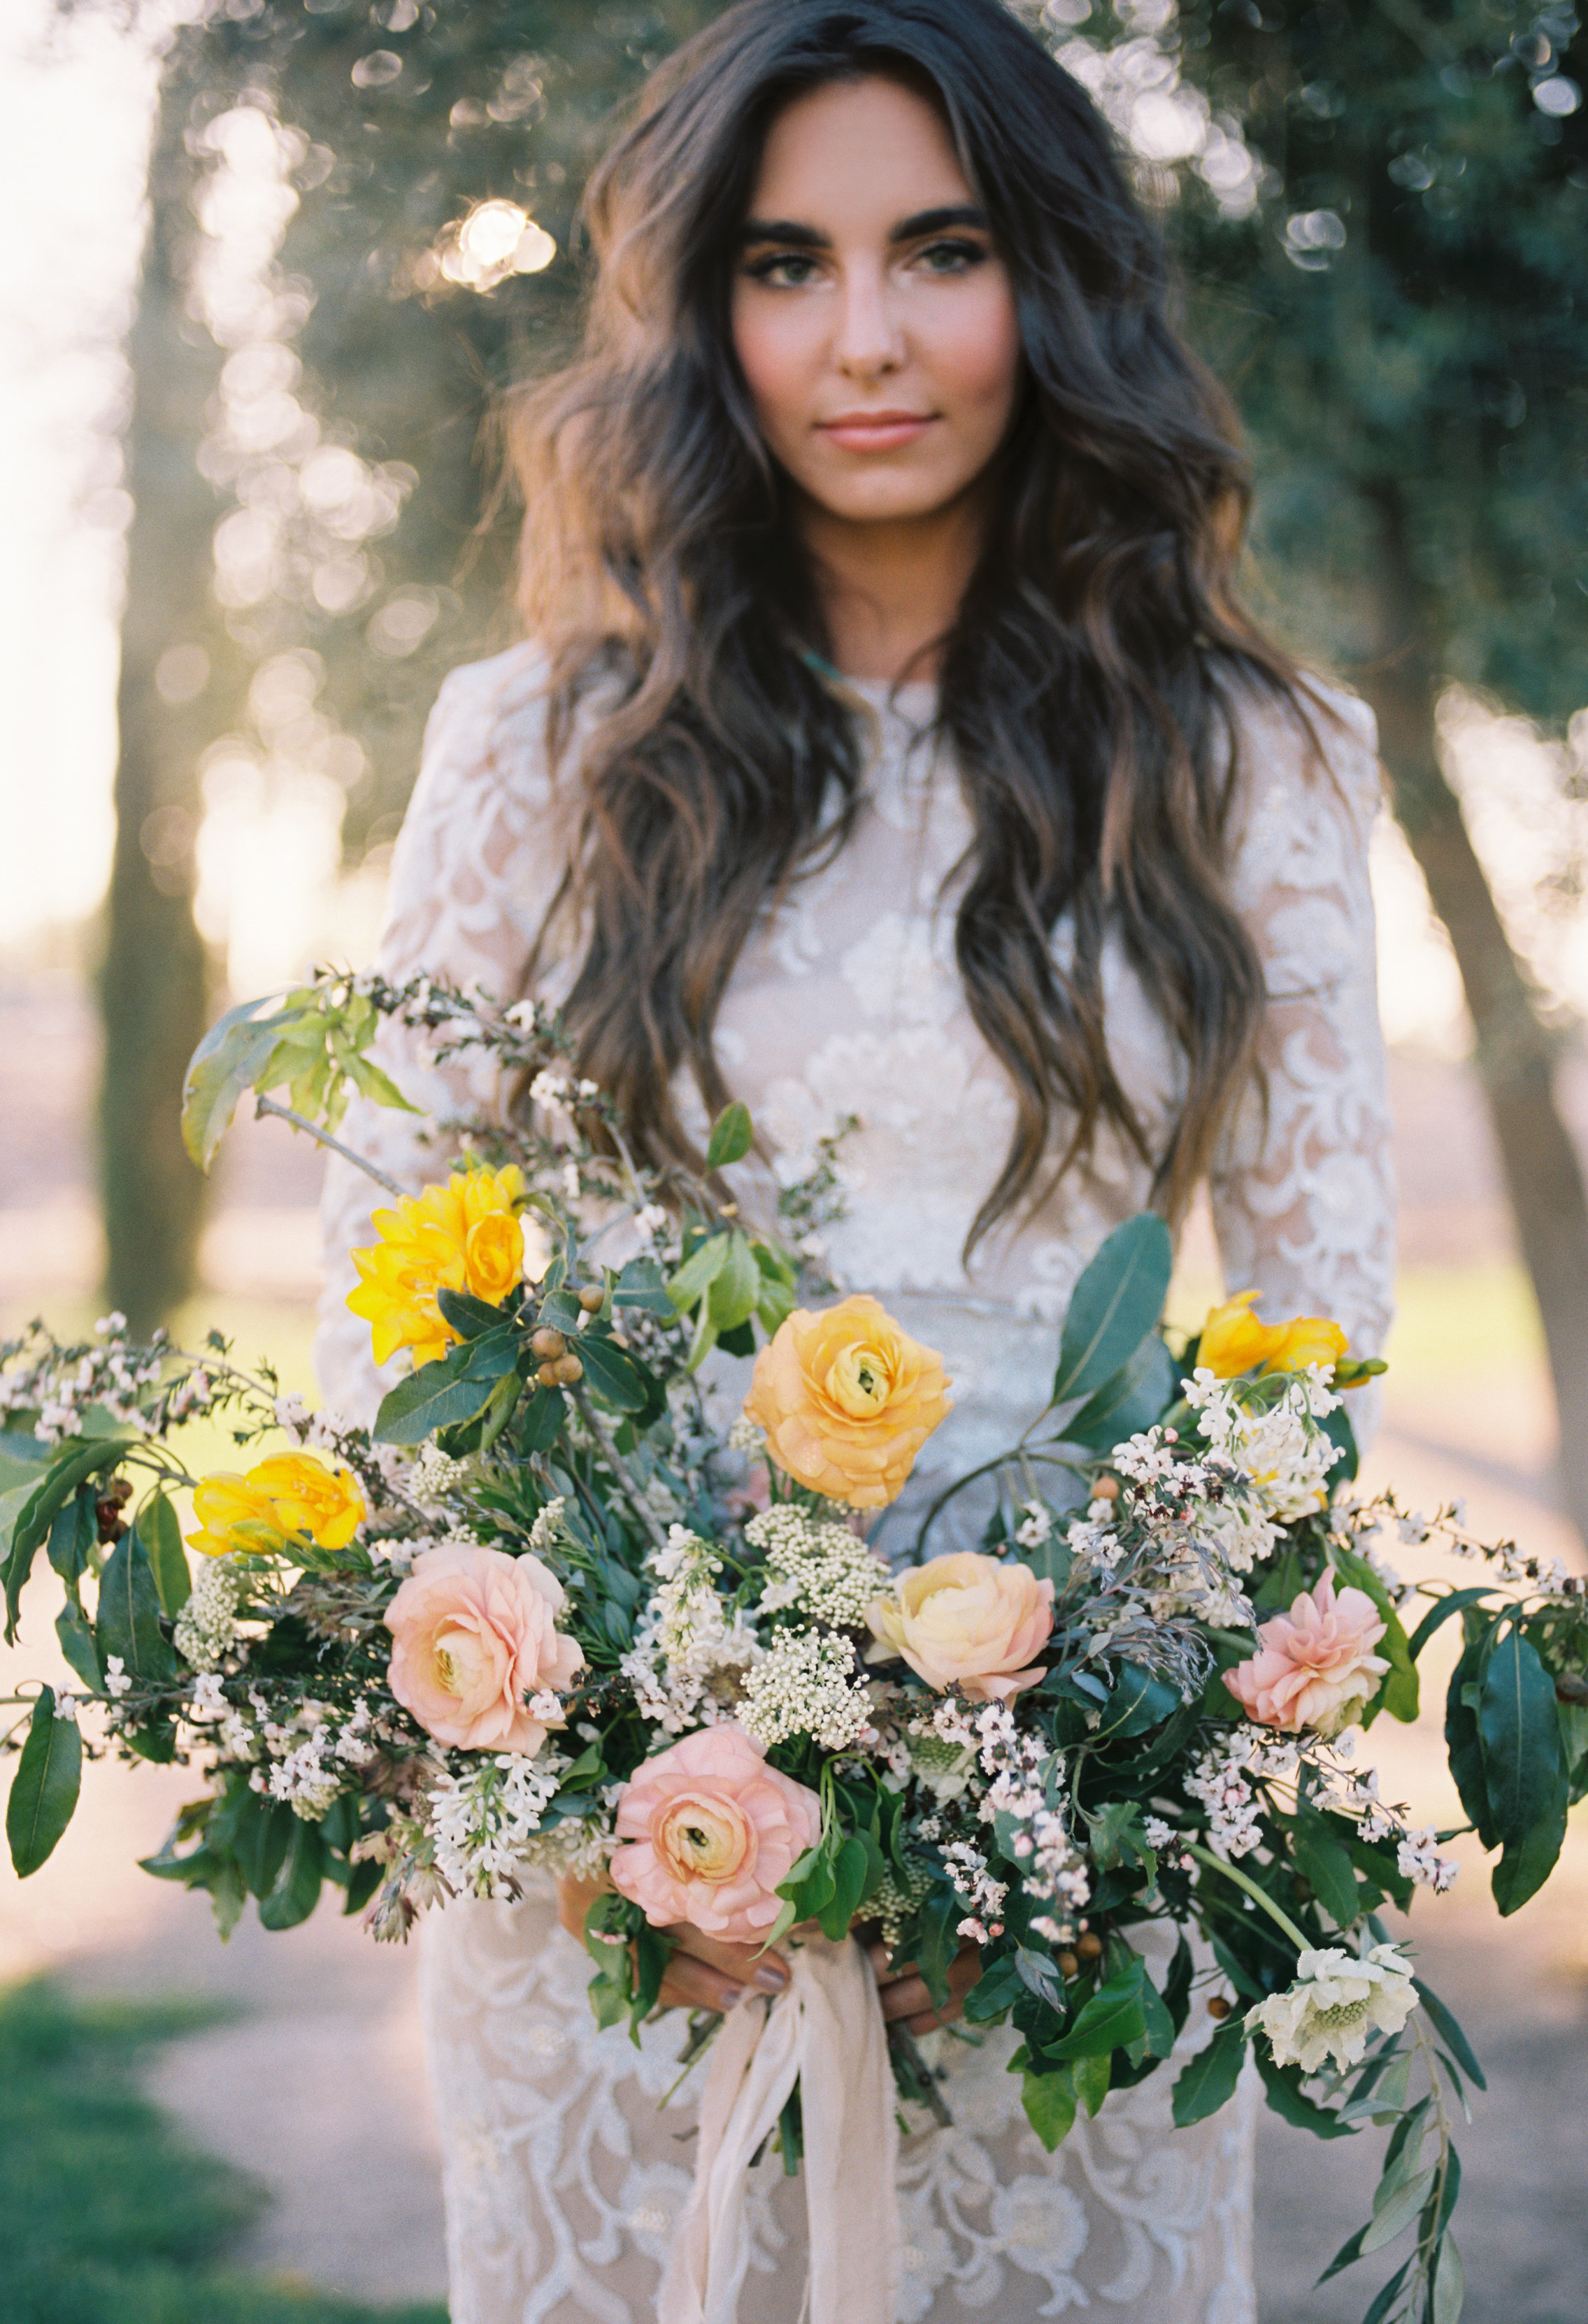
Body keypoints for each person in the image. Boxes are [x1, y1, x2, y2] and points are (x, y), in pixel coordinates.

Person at [313, 3, 1393, 2317]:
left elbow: (1317, 1353)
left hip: (1065, 1874)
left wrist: (1049, 1810)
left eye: (941, 249)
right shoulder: (535, 750)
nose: (866, 339)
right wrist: (613, 1809)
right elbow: (385, 1291)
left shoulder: (1259, 765)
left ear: (1058, 284)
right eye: (786, 264)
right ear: (699, 314)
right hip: (617, 1889)